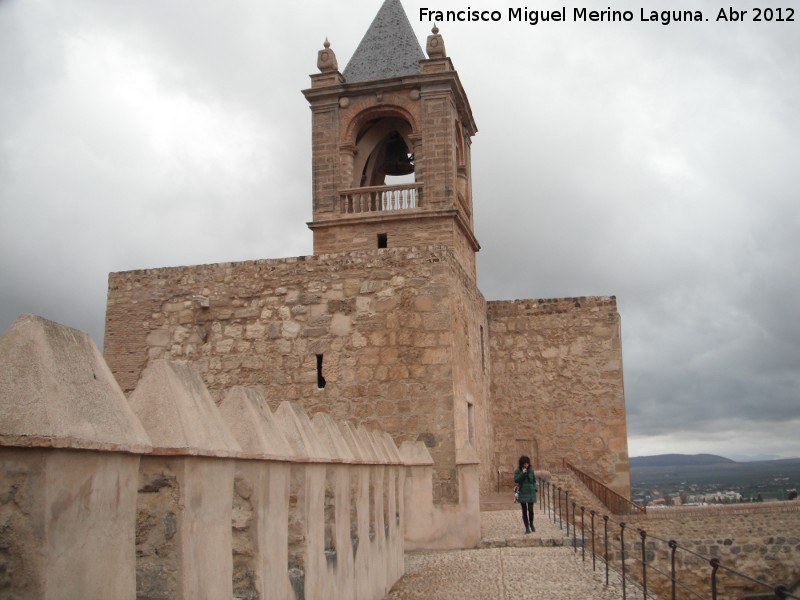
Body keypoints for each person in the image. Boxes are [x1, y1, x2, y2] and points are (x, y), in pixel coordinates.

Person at [514, 455, 537, 533]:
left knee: (531, 510)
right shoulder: (518, 471)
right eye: (524, 464)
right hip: (523, 492)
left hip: (531, 492)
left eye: (527, 463)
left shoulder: (531, 470)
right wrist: (522, 473)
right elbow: (516, 480)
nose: (526, 465)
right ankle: (527, 527)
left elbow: (534, 480)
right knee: (524, 510)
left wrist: (535, 488)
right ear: (522, 464)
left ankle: (531, 524)